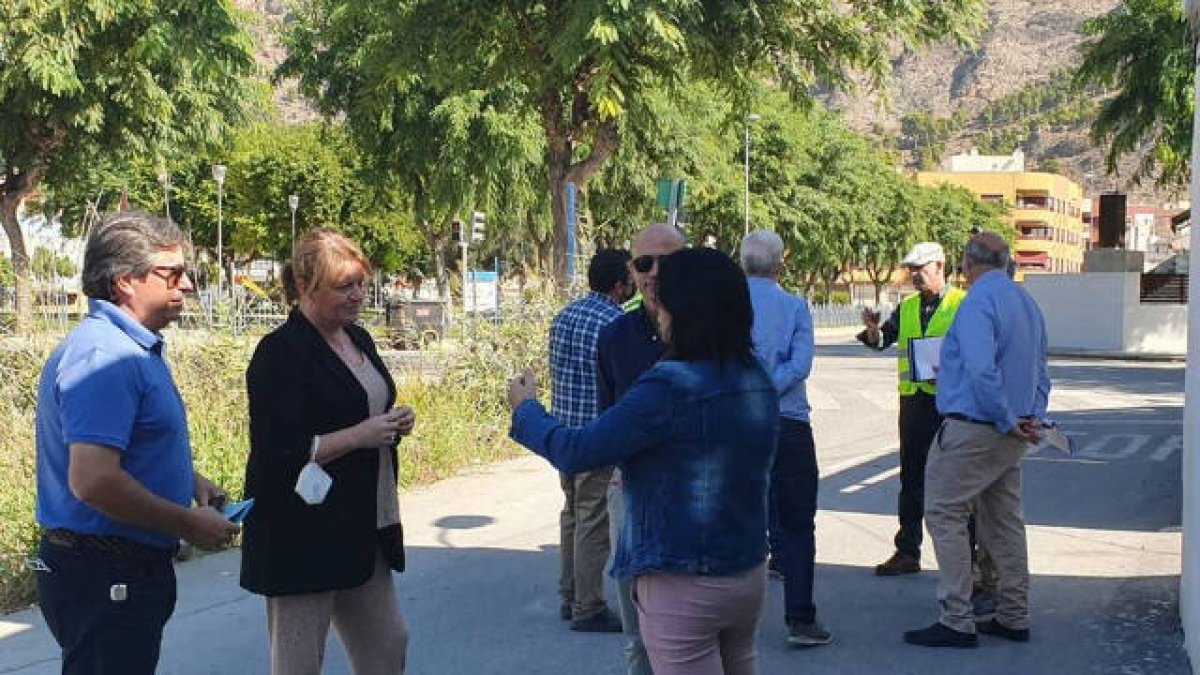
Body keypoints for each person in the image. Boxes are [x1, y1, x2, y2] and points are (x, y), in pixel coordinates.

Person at [509, 247, 778, 675]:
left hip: (682, 579)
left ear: (681, 310)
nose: (658, 311)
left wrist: (526, 410)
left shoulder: (667, 388)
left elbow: (577, 451)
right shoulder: (756, 378)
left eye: (662, 301)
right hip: (745, 572)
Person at [32, 211, 240, 674]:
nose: (186, 285)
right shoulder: (105, 356)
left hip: (119, 567)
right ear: (126, 280)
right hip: (103, 568)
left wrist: (188, 480)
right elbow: (93, 481)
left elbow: (125, 448)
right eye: (173, 274)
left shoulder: (130, 348)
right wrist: (189, 523)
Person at [240, 229, 414, 674]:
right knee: (298, 663)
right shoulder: (280, 353)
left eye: (361, 282)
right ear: (304, 287)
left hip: (364, 526)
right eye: (345, 286)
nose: (359, 295)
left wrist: (392, 424)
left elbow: (366, 408)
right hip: (302, 534)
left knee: (388, 648)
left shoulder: (360, 339)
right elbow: (278, 452)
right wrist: (361, 434)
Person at [903, 232, 1049, 648]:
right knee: (1004, 522)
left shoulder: (977, 304)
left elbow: (982, 372)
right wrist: (1029, 418)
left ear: (968, 264)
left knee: (944, 512)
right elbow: (1042, 371)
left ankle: (956, 617)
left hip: (976, 427)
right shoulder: (1026, 304)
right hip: (1011, 430)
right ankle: (1013, 615)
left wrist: (1004, 418)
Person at [596, 222, 685, 675]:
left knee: (692, 631)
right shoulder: (615, 337)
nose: (653, 273)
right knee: (639, 635)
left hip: (696, 493)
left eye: (665, 263)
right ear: (632, 270)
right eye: (643, 263)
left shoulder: (709, 334)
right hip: (631, 488)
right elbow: (608, 417)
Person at [741, 230, 833, 648]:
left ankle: (731, 621)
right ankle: (800, 618)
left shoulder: (728, 305)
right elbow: (801, 365)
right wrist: (770, 386)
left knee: (739, 519)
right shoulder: (795, 307)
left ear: (742, 263)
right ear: (781, 265)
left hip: (738, 424)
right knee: (797, 523)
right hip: (789, 422)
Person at [857, 241, 965, 575]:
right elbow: (881, 342)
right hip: (914, 403)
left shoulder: (963, 304)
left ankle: (966, 558)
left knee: (956, 482)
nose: (915, 276)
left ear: (940, 266)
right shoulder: (906, 308)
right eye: (912, 270)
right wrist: (873, 331)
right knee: (912, 478)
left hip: (950, 404)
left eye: (921, 269)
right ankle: (907, 551)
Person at [548, 249, 634, 631]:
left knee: (571, 514)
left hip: (563, 433)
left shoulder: (565, 316)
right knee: (593, 522)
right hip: (597, 436)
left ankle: (569, 595)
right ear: (619, 284)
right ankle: (589, 605)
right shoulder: (616, 324)